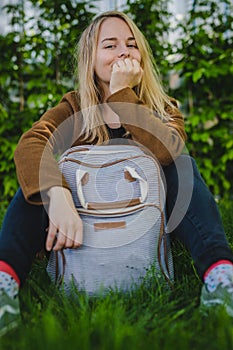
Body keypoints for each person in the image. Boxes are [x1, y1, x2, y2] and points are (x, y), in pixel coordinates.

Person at [0, 10, 233, 336]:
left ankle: (220, 278)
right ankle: (4, 284)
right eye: (110, 45)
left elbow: (167, 151)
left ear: (142, 55)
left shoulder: (163, 109)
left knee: (183, 166)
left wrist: (124, 94)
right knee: (40, 175)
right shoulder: (76, 108)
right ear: (90, 59)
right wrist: (57, 195)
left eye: (131, 44)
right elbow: (31, 142)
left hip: (142, 226)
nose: (124, 52)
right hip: (81, 223)